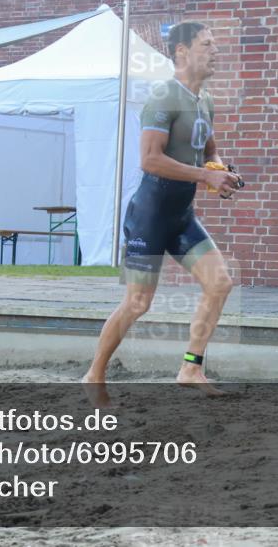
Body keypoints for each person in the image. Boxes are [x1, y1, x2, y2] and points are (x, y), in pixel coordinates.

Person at [83, 22, 242, 397]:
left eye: (216, 44)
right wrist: (204, 173)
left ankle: (191, 369)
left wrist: (220, 171)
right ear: (182, 52)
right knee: (138, 303)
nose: (216, 51)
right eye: (207, 44)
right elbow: (150, 160)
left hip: (181, 215)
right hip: (150, 217)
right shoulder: (163, 97)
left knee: (220, 283)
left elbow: (209, 152)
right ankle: (94, 375)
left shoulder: (205, 100)